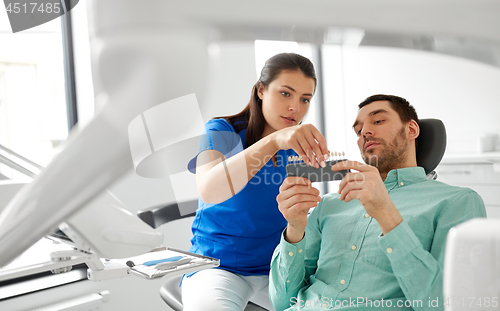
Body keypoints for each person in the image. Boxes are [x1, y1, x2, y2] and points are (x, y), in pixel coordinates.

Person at [270, 94, 487, 311]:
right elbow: (281, 302)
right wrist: (295, 228)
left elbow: (448, 305)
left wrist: (385, 213)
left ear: (411, 130)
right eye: (358, 130)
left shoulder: (457, 202)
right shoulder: (329, 204)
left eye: (378, 121)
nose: (365, 132)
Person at [182, 53, 330, 311]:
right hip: (217, 266)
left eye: (305, 99)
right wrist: (274, 141)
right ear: (261, 90)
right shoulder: (221, 131)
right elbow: (209, 188)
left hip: (276, 269)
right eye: (286, 93)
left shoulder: (298, 147)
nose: (296, 107)